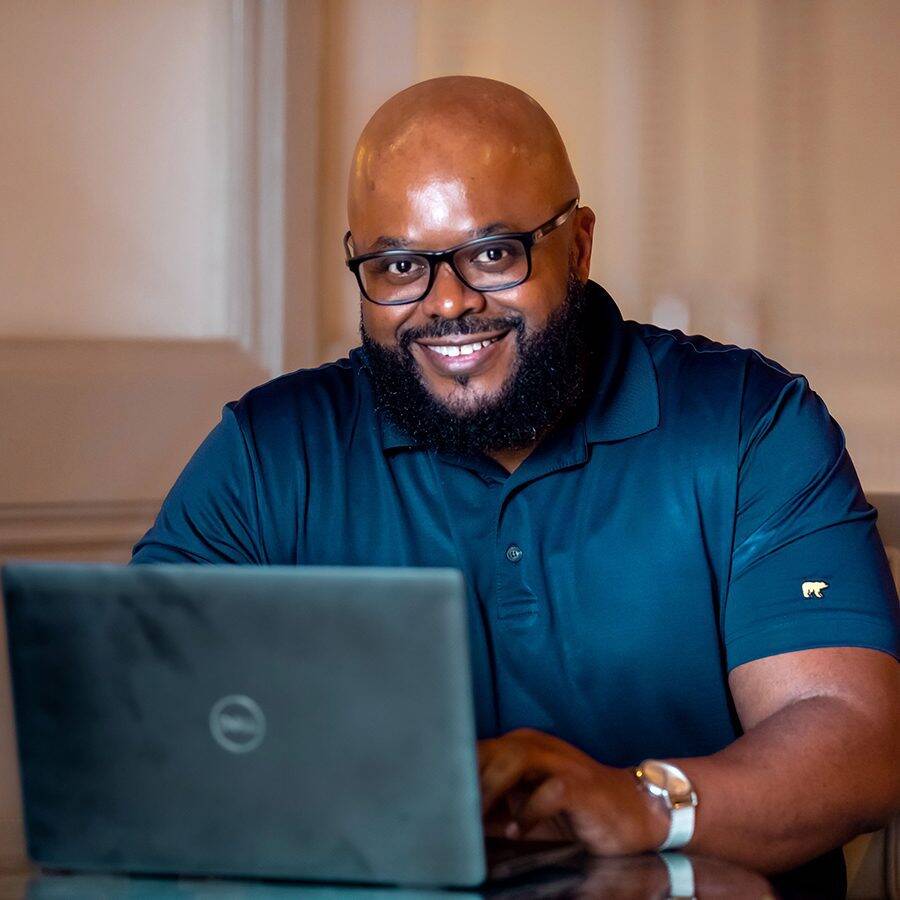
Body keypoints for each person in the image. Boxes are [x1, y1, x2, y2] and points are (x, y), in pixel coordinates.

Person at [131, 76, 899, 894]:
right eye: (398, 266)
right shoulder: (270, 452)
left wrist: (644, 806)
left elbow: (859, 736)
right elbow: (140, 720)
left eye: (493, 253)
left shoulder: (750, 424)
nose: (449, 303)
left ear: (578, 246)